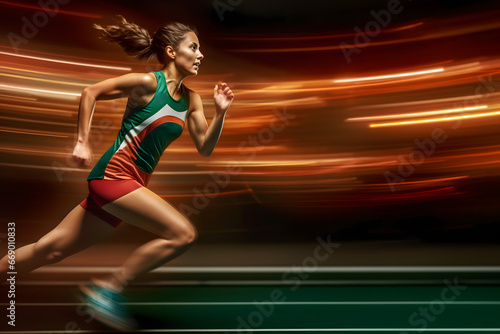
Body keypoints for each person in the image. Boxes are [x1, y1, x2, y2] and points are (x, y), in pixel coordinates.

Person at [0, 16, 234, 330]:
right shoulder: (148, 83)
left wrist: (220, 112)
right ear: (171, 52)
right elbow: (90, 92)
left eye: (200, 48)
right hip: (112, 179)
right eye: (194, 47)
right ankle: (106, 289)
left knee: (48, 250)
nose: (200, 54)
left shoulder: (192, 100)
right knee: (183, 234)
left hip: (128, 187)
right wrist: (82, 142)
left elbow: (205, 147)